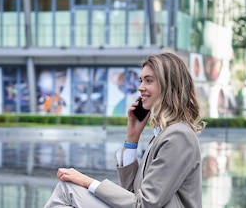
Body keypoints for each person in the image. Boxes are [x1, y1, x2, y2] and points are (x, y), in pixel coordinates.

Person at [44, 51, 206, 208]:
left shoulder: (178, 136)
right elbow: (131, 192)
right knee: (66, 190)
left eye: (149, 81)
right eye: (141, 80)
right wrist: (132, 137)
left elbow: (143, 204)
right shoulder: (164, 134)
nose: (140, 87)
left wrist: (88, 182)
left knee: (67, 190)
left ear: (169, 85)